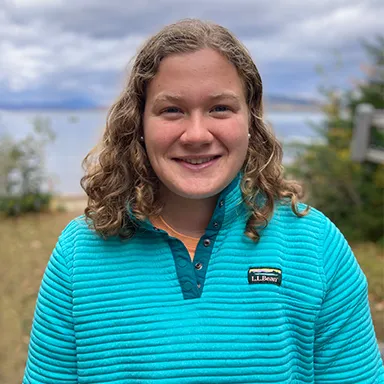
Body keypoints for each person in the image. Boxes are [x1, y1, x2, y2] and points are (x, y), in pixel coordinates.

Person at [23, 19, 383, 384]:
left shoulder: (316, 246)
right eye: (172, 110)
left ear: (250, 121)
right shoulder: (78, 254)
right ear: (139, 125)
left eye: (220, 108)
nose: (196, 135)